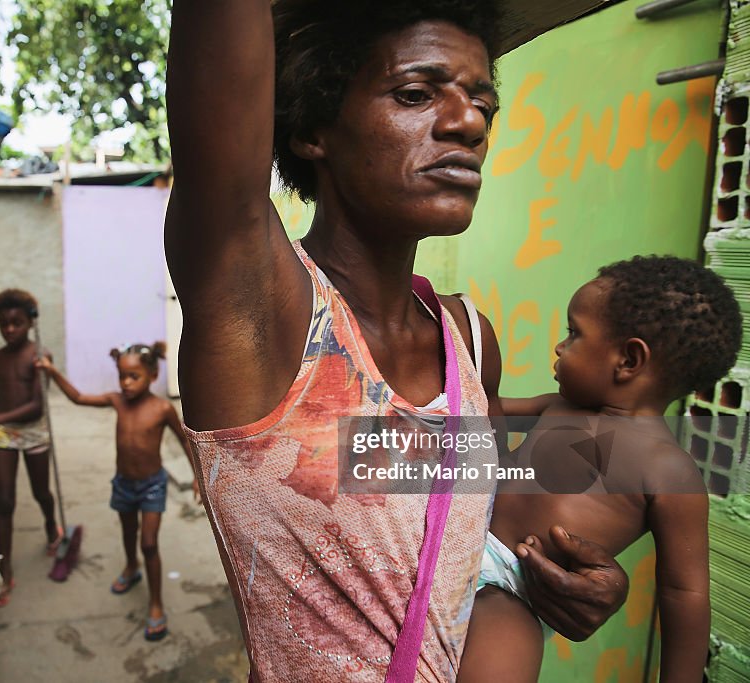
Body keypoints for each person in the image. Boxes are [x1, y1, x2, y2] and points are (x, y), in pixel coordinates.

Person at [165, 1, 631, 680]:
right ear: (314, 131)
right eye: (416, 94)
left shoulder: (471, 341)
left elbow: (455, 542)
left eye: (482, 103)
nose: (467, 122)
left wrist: (562, 578)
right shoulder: (263, 313)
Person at [458, 256, 741, 682]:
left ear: (628, 361)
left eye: (573, 334)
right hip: (450, 543)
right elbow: (476, 413)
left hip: (512, 592)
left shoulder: (669, 472)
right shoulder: (557, 407)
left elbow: (684, 592)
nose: (559, 347)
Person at [36, 342, 200, 642]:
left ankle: (155, 603)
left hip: (152, 485)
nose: (125, 383)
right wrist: (51, 371)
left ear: (152, 375)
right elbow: (78, 397)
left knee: (148, 543)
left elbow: (184, 440)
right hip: (124, 483)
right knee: (128, 533)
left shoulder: (162, 408)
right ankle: (130, 567)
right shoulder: (116, 401)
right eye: (122, 376)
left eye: (133, 376)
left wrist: (197, 477)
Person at [0, 289, 61, 607]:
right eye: (4, 324)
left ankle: (51, 525)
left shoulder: (39, 356)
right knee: (4, 500)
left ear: (29, 323)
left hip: (34, 432)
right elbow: (3, 398)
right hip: (6, 433)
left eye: (17, 323)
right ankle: (4, 568)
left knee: (41, 493)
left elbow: (36, 407)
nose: (10, 330)